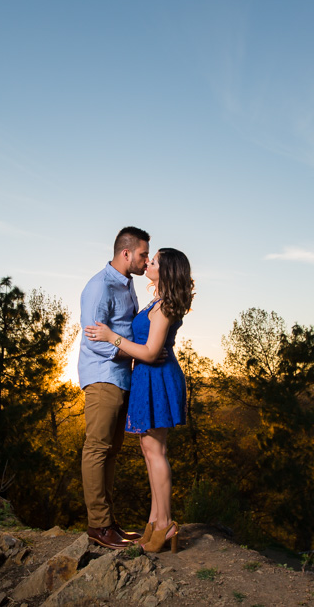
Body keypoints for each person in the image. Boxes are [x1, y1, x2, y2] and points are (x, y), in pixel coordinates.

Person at [85, 247, 194, 553]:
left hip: (157, 376)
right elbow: (146, 349)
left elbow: (148, 351)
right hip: (147, 376)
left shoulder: (165, 307)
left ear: (167, 270)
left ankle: (165, 525)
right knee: (149, 449)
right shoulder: (157, 301)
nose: (148, 263)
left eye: (154, 261)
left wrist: (111, 338)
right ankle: (154, 521)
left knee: (156, 450)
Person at [78, 226, 151, 549]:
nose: (146, 260)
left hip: (122, 377)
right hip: (102, 376)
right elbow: (96, 342)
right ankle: (98, 525)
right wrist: (135, 351)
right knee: (96, 449)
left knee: (110, 451)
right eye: (143, 254)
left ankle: (109, 522)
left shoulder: (127, 285)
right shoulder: (100, 287)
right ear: (126, 253)